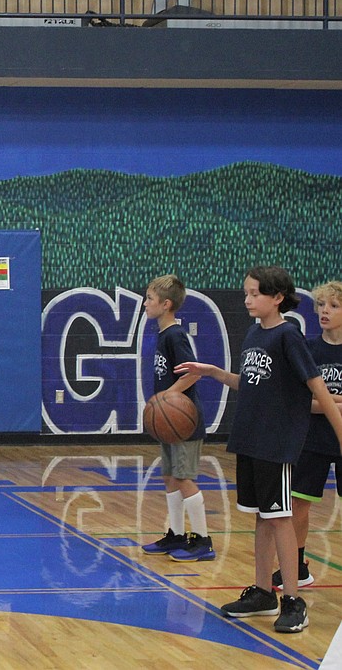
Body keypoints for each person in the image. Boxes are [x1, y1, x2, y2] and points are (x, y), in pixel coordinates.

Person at [177, 266, 342, 634]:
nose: (247, 300)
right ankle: (263, 592)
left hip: (276, 443)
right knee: (261, 516)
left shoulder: (289, 336)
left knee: (280, 517)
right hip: (249, 439)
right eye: (246, 294)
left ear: (277, 297)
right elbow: (251, 386)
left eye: (254, 294)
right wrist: (215, 372)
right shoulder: (254, 333)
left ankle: (293, 600)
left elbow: (318, 390)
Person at [270, 280, 342, 590]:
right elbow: (302, 401)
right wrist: (332, 403)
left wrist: (325, 400)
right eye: (321, 305)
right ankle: (297, 566)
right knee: (298, 504)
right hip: (312, 438)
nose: (325, 311)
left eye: (334, 306)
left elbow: (318, 399)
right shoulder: (308, 349)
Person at [139, 275, 215, 562]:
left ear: (166, 304)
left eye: (149, 299)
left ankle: (203, 540)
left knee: (183, 478)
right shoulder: (163, 334)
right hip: (170, 424)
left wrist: (166, 397)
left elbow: (193, 373)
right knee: (170, 476)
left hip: (185, 423)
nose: (145, 303)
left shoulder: (175, 335)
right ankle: (176, 535)